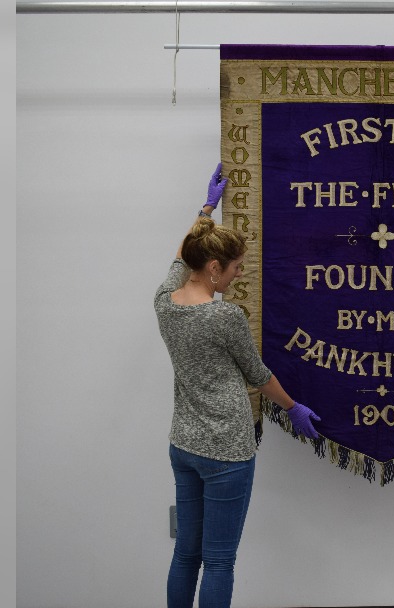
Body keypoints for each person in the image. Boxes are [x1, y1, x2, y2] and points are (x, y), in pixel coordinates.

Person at [155, 162, 321, 608]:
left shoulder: (164, 302)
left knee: (185, 554)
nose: (239, 275)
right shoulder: (224, 316)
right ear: (212, 268)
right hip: (226, 450)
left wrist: (206, 207)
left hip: (183, 445)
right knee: (220, 561)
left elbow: (179, 258)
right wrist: (292, 408)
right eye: (234, 268)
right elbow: (258, 374)